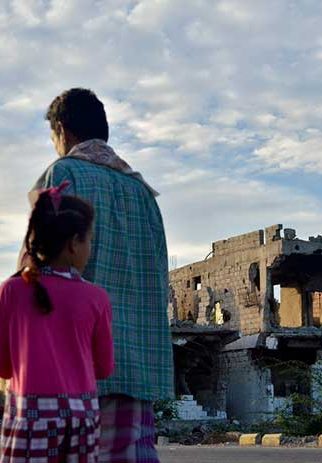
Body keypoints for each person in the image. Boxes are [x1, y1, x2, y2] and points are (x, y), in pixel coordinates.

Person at [22, 88, 174, 463]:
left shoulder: (64, 174)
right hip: (137, 362)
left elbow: (36, 265)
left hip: (70, 362)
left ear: (62, 130)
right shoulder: (143, 193)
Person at [1, 185, 114, 462]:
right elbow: (103, 368)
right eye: (89, 240)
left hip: (29, 422)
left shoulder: (12, 291)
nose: (89, 248)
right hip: (81, 422)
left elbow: (3, 367)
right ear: (74, 243)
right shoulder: (96, 298)